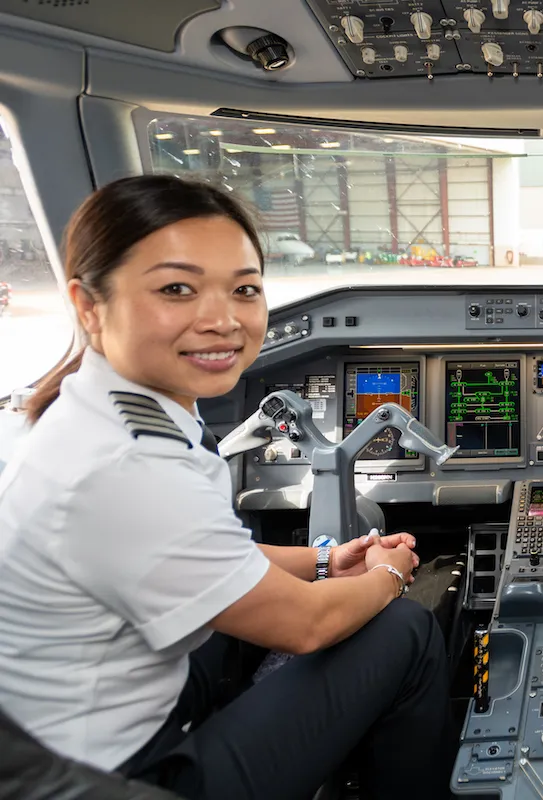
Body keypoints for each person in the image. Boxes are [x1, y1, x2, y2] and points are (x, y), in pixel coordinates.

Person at [0, 175, 453, 800]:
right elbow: (309, 628)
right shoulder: (121, 465)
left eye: (244, 289)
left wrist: (325, 559)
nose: (221, 320)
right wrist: (392, 572)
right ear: (88, 305)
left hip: (86, 717)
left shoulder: (101, 412)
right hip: (116, 775)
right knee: (403, 630)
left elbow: (190, 553)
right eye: (177, 289)